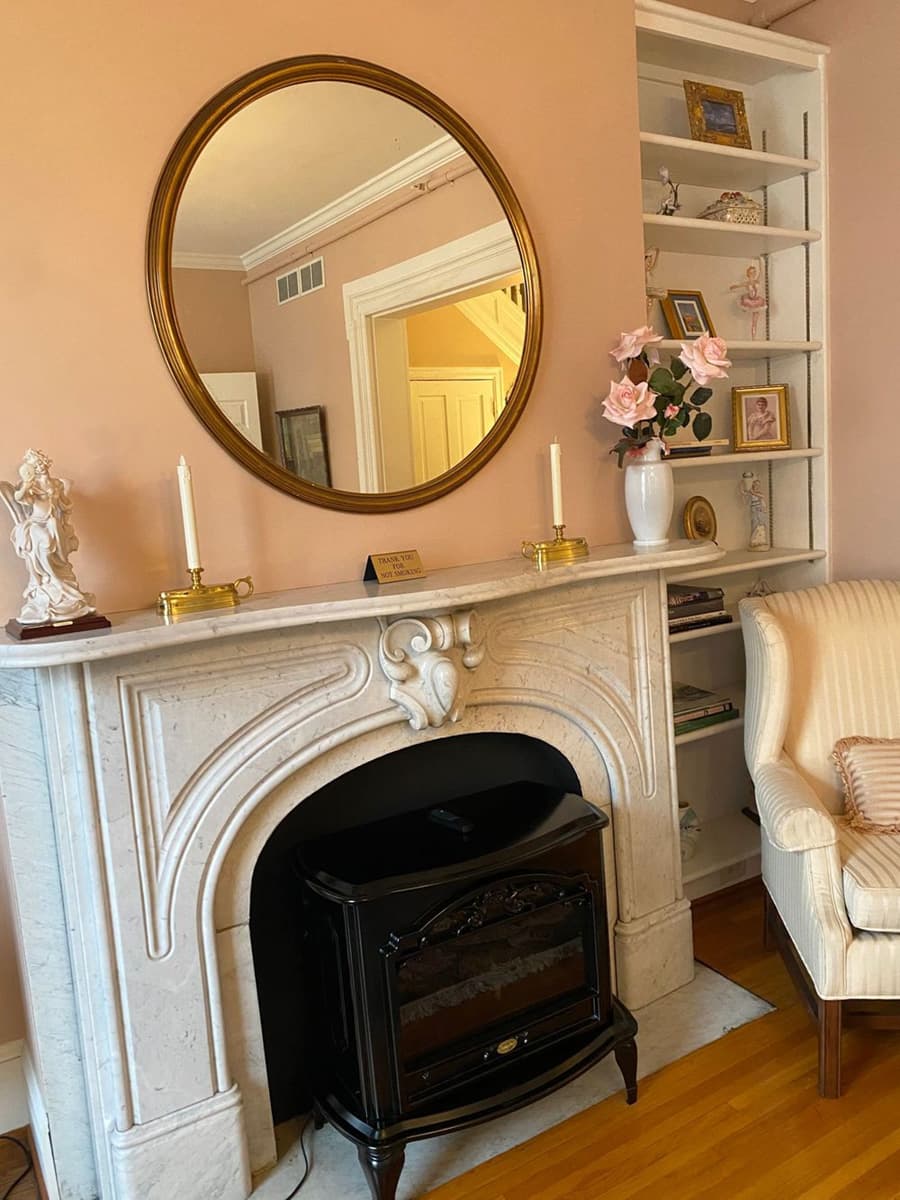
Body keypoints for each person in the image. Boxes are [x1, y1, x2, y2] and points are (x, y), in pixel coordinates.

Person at [0, 448, 95, 624]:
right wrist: (27, 485)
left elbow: (64, 505)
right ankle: (55, 580)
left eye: (41, 463)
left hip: (53, 522)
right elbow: (20, 498)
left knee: (56, 540)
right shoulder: (30, 485)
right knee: (44, 544)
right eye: (36, 465)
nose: (40, 467)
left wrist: (62, 502)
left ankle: (61, 582)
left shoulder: (56, 484)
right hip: (35, 523)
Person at [730, 260, 768, 339]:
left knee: (755, 322)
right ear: (748, 274)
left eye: (754, 272)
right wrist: (733, 287)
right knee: (750, 319)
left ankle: (753, 338)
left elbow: (761, 272)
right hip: (749, 301)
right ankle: (752, 338)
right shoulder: (747, 283)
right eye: (751, 273)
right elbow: (738, 286)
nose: (753, 274)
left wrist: (761, 262)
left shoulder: (757, 280)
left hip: (757, 301)